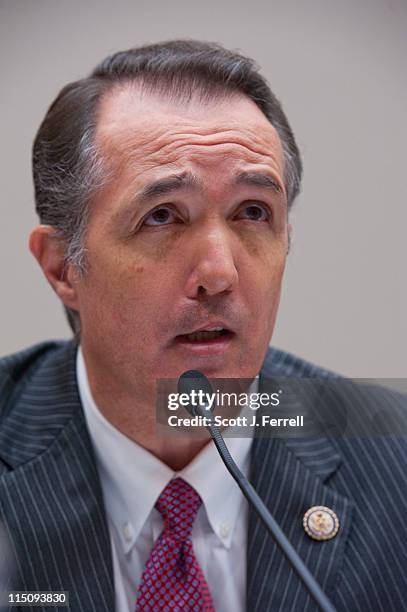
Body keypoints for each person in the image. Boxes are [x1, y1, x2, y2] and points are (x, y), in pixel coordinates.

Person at [0, 40, 406, 612]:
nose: (218, 274)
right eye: (162, 216)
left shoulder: (395, 456)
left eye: (252, 212)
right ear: (62, 266)